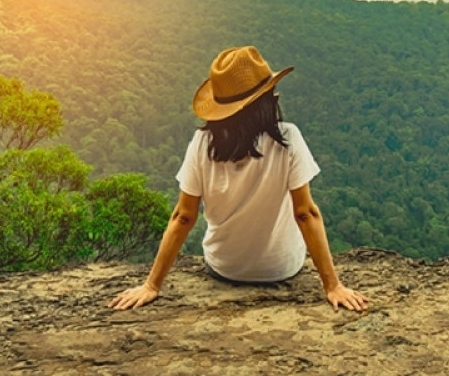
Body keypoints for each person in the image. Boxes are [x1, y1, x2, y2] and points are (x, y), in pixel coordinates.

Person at [109, 46, 369, 312]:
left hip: (224, 268)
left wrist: (151, 285)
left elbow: (183, 217)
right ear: (265, 101)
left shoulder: (202, 143)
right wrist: (333, 285)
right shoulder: (288, 139)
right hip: (281, 268)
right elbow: (306, 213)